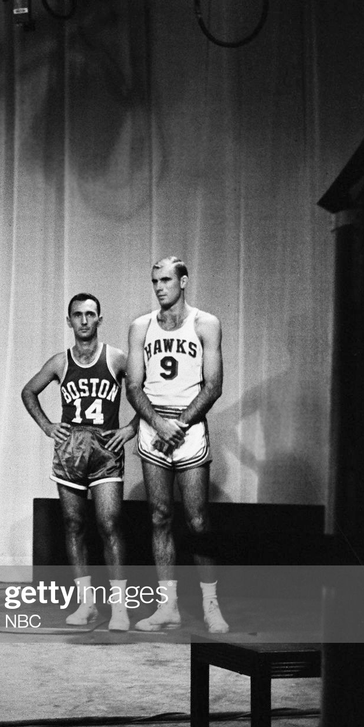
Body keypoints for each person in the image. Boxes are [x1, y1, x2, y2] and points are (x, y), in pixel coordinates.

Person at [125, 257, 228, 633]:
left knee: (198, 520)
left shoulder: (205, 323)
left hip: (188, 426)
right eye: (155, 281)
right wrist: (157, 423)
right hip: (155, 425)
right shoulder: (141, 327)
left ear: (183, 281)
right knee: (159, 516)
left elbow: (213, 385)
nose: (159, 287)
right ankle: (167, 606)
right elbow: (134, 386)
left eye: (166, 279)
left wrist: (180, 424)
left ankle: (211, 605)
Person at [22, 294, 137, 631]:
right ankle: (86, 604)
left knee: (109, 523)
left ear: (100, 319)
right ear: (69, 320)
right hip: (71, 448)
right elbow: (29, 391)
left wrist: (130, 429)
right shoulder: (60, 362)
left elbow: (148, 391)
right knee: (73, 524)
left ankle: (119, 608)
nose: (84, 321)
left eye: (90, 315)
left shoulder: (115, 358)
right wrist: (47, 426)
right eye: (78, 315)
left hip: (104, 447)